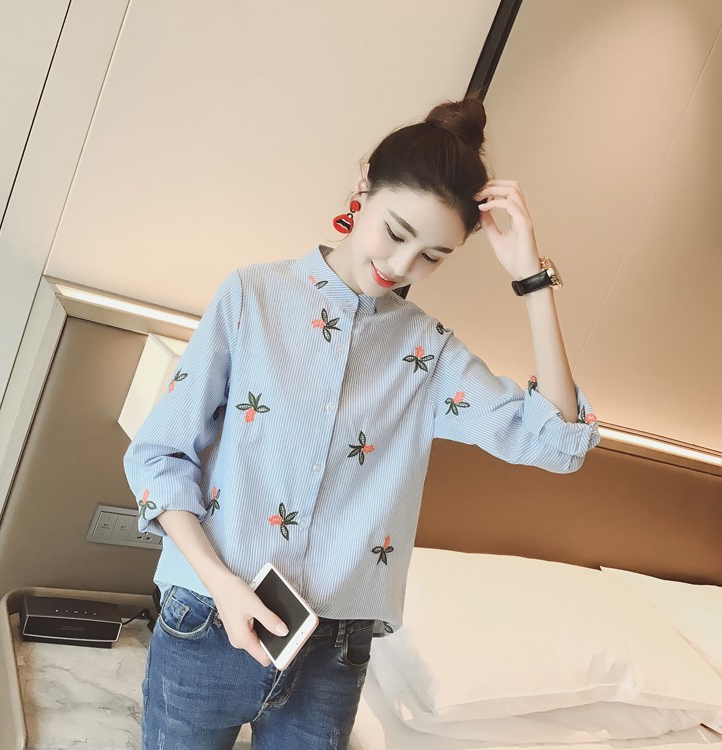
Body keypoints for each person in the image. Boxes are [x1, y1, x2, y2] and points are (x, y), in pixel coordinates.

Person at [124, 92, 600, 750]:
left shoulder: (429, 355)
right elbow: (157, 456)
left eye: (432, 256)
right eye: (396, 233)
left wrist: (531, 279)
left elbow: (557, 445)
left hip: (332, 654)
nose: (401, 267)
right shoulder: (252, 298)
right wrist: (222, 586)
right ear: (363, 191)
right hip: (207, 620)